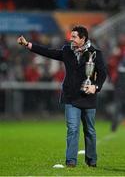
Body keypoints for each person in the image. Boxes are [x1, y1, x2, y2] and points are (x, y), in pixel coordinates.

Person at [17, 26, 107, 168]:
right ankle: (71, 161)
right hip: (70, 97)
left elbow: (102, 74)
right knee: (72, 128)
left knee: (89, 130)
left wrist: (95, 86)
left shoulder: (96, 54)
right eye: (71, 36)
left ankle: (91, 160)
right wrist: (28, 44)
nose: (70, 39)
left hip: (88, 97)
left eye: (74, 37)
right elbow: (48, 52)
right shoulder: (67, 51)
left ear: (83, 39)